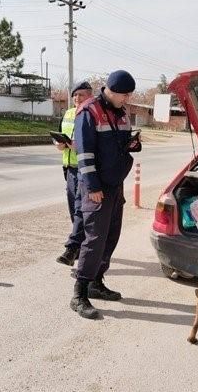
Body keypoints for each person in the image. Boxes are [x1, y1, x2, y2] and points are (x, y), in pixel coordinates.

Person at [70, 70, 141, 319]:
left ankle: (96, 282)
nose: (127, 99)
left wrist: (132, 145)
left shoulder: (121, 112)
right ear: (109, 90)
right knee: (94, 239)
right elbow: (84, 155)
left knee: (111, 235)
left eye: (129, 95)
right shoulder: (89, 112)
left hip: (114, 185)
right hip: (96, 187)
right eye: (124, 94)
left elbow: (119, 145)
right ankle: (79, 294)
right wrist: (92, 187)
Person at [55, 81, 94, 266]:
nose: (77, 99)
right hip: (69, 168)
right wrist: (60, 144)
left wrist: (80, 147)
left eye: (81, 95)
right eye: (75, 95)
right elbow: (61, 136)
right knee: (74, 208)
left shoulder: (92, 113)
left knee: (80, 208)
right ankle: (80, 243)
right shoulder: (69, 113)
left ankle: (73, 248)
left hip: (85, 169)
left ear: (90, 96)